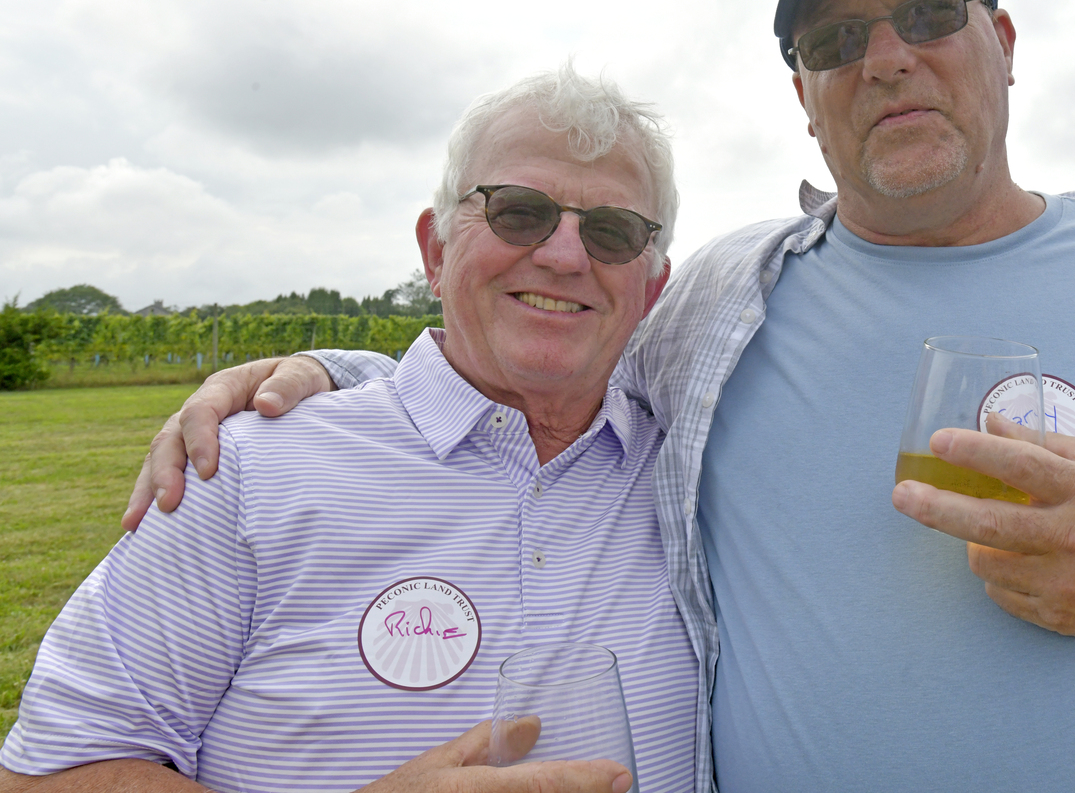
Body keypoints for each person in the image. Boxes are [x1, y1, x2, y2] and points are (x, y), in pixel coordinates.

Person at [125, 0, 1075, 793]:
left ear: (999, 43)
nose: (887, 57)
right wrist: (328, 382)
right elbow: (539, 365)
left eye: (930, 16)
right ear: (805, 100)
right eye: (835, 39)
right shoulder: (719, 303)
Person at [1, 68, 697, 793]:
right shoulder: (244, 469)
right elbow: (47, 774)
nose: (563, 256)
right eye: (519, 213)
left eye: (614, 232)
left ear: (651, 287)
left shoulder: (695, 473)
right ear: (434, 252)